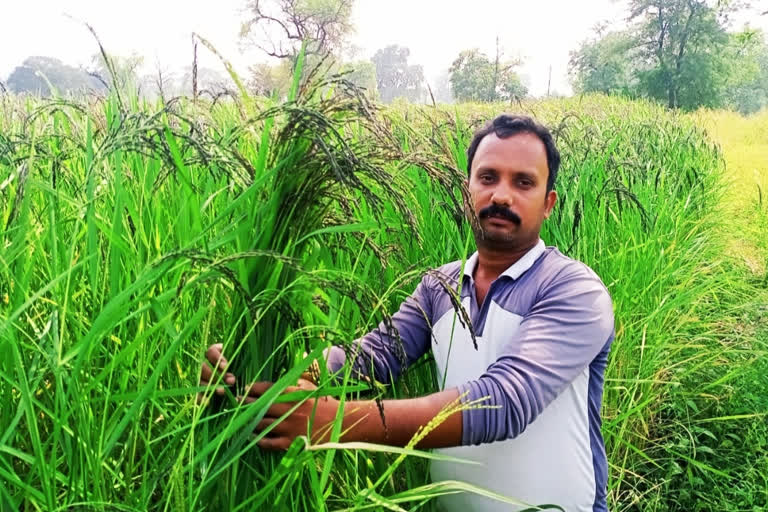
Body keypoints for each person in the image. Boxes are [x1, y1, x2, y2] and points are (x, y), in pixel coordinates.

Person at [200, 114, 614, 511]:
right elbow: (374, 356)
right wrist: (273, 364)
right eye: (487, 178)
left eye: (523, 182)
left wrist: (334, 421)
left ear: (548, 203)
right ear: (467, 190)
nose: (501, 195)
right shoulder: (440, 286)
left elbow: (505, 401)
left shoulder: (573, 289)